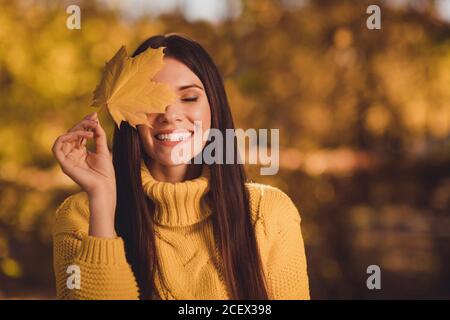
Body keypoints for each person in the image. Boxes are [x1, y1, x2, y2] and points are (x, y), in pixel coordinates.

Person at [51, 34, 310, 300]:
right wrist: (103, 201)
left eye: (188, 98)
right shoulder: (82, 216)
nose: (170, 115)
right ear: (128, 116)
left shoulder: (268, 214)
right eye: (151, 100)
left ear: (214, 107)